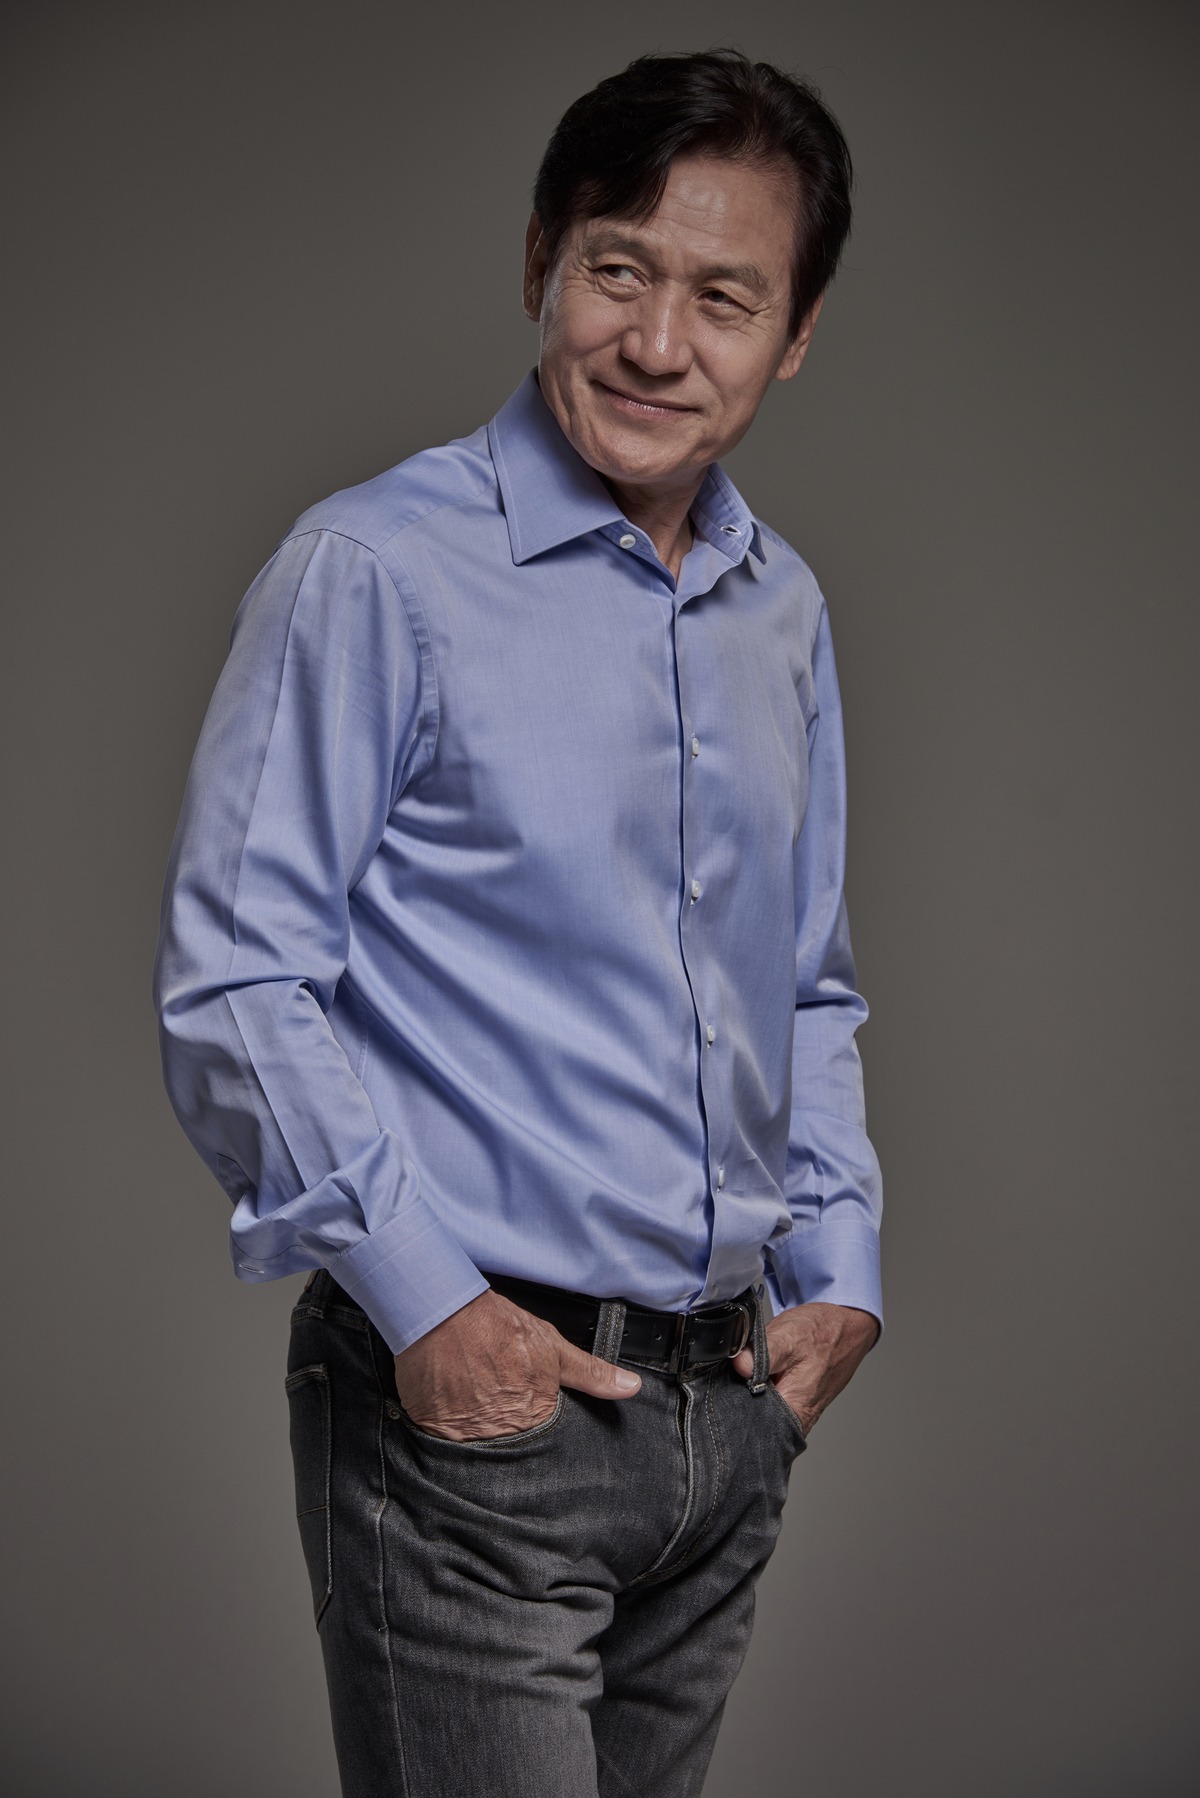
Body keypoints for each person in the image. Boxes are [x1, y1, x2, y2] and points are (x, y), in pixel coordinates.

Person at [153, 47, 883, 1798]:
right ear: (541, 259)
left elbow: (804, 982)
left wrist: (841, 1273)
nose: (657, 342)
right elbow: (239, 979)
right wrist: (428, 1306)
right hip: (479, 1418)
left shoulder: (782, 611)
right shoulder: (374, 572)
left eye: (725, 298)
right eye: (620, 268)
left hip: (726, 1419)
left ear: (794, 336)